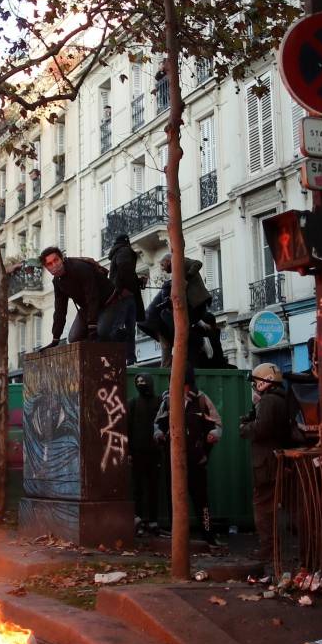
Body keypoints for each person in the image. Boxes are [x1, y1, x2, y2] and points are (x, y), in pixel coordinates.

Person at [154, 371, 222, 546]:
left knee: (201, 499)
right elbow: (157, 424)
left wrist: (214, 434)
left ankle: (208, 536)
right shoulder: (167, 401)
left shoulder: (201, 399)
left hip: (196, 459)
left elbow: (216, 423)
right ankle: (178, 537)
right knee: (173, 499)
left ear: (189, 384)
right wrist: (158, 434)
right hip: (173, 461)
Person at [241, 363, 295, 567]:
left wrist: (245, 427)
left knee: (263, 508)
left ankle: (268, 549)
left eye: (256, 382)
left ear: (265, 382)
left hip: (266, 465)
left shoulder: (268, 402)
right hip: (280, 461)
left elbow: (261, 430)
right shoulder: (283, 398)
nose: (254, 386)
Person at [40, 246, 113, 347]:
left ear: (62, 258)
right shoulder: (57, 282)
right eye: (49, 264)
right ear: (46, 268)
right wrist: (55, 338)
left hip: (109, 300)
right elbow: (60, 309)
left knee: (101, 331)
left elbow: (92, 296)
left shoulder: (80, 268)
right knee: (74, 337)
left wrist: (92, 325)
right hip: (87, 307)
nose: (54, 265)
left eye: (56, 260)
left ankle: (119, 338)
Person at [125, 375, 163, 532]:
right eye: (138, 382)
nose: (141, 384)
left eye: (143, 381)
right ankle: (139, 520)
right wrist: (129, 452)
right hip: (138, 453)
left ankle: (153, 520)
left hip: (154, 452)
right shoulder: (133, 403)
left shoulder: (159, 402)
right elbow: (128, 428)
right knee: (138, 488)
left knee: (154, 487)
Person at [100, 234, 141, 363]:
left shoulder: (117, 253)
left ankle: (124, 357)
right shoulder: (124, 251)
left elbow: (124, 272)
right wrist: (124, 289)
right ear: (127, 242)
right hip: (124, 296)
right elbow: (125, 270)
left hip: (120, 294)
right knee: (125, 329)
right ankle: (127, 358)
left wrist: (137, 282)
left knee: (120, 327)